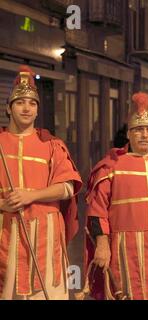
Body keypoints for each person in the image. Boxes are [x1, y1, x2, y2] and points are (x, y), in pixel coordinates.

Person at [85, 92, 148, 300]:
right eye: (138, 130)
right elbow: (97, 209)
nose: (144, 135)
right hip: (124, 245)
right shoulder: (111, 167)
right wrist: (102, 245)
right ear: (129, 134)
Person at [0, 65, 82, 300]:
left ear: (37, 111)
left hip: (46, 235)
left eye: (32, 104)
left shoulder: (51, 145)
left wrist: (31, 195)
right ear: (8, 107)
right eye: (20, 102)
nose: (26, 108)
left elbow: (68, 187)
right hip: (6, 233)